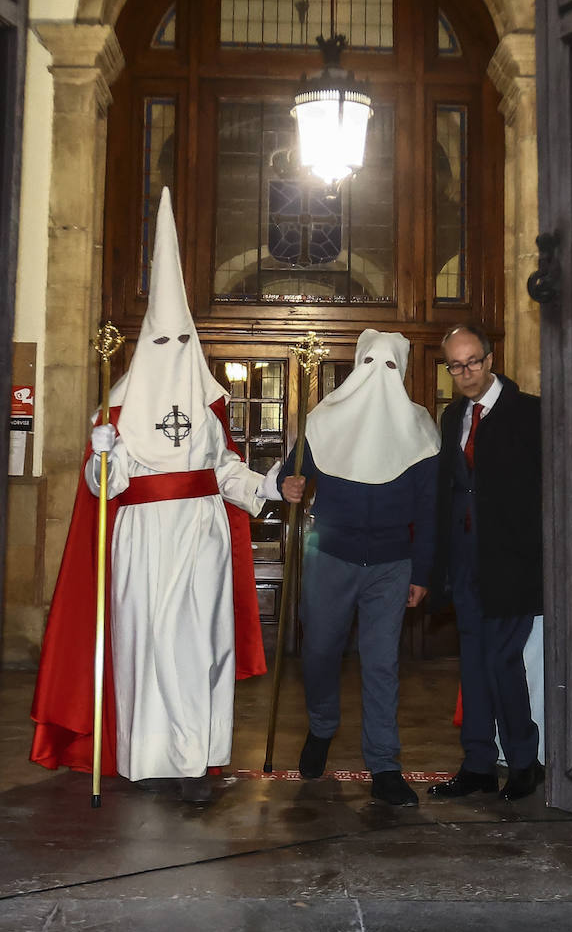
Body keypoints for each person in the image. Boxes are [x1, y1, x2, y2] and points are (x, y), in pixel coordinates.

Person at [30, 188, 268, 801]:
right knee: (144, 645)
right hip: (139, 542)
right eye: (161, 343)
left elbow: (223, 471)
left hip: (201, 536)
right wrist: (103, 454)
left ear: (193, 342)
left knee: (195, 644)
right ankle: (145, 754)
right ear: (144, 346)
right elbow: (102, 489)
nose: (172, 356)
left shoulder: (210, 409)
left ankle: (194, 758)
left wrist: (264, 487)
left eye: (181, 343)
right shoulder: (116, 405)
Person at [276, 329, 439, 807]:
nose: (377, 377)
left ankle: (385, 765)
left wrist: (422, 572)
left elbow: (429, 511)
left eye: (389, 368)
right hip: (330, 555)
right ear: (356, 366)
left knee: (383, 663)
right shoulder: (324, 420)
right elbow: (293, 473)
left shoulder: (421, 427)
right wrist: (289, 483)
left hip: (391, 563)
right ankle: (322, 727)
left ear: (402, 372)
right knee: (321, 652)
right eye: (370, 365)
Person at [427, 323, 545, 802]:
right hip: (464, 561)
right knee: (473, 663)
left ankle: (523, 761)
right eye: (456, 366)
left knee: (501, 660)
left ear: (491, 359)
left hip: (513, 562)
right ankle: (477, 764)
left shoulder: (530, 413)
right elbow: (450, 491)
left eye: (473, 361)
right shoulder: (452, 416)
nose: (466, 372)